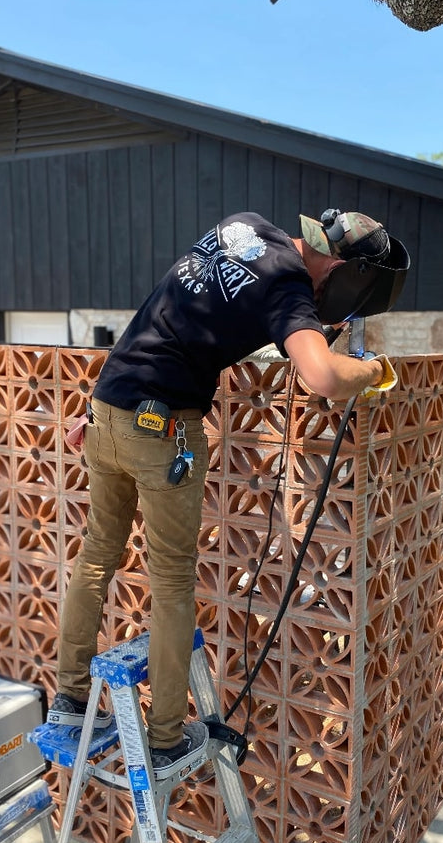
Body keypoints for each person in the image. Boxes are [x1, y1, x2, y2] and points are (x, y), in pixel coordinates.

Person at [46, 209, 407, 778]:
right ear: (341, 269)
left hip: (105, 409)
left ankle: (67, 702)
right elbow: (324, 377)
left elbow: (172, 311)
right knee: (169, 579)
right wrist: (374, 372)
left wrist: (98, 413)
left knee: (96, 556)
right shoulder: (290, 293)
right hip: (162, 430)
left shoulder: (244, 225)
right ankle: (165, 738)